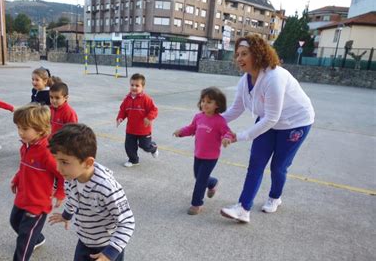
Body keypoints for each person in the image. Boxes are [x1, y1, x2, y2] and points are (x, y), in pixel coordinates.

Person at [47, 124, 135, 261]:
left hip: (106, 249)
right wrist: (67, 215)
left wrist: (110, 254)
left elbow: (127, 221)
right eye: (57, 160)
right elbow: (75, 198)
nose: (59, 168)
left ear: (88, 163)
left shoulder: (107, 188)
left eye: (64, 162)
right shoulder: (72, 176)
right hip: (84, 242)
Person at [220, 35, 315, 223]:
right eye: (237, 54)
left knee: (278, 166)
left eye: (244, 54)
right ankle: (243, 208)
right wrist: (209, 121)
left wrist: (241, 135)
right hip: (269, 120)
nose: (239, 58)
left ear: (258, 54)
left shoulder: (274, 77)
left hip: (295, 123)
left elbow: (273, 117)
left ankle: (274, 197)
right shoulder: (244, 80)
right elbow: (236, 109)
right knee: (256, 163)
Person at [0, 103, 65, 261]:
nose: (20, 132)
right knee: (15, 223)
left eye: (25, 128)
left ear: (41, 130)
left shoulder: (46, 152)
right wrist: (16, 179)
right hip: (23, 197)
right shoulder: (25, 146)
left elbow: (61, 174)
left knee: (24, 237)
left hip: (38, 202)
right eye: (18, 127)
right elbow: (23, 167)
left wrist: (60, 192)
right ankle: (38, 238)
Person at [173, 87, 233, 215]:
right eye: (203, 101)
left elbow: (227, 132)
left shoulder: (219, 121)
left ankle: (196, 204)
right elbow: (191, 128)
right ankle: (213, 183)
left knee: (200, 181)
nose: (204, 104)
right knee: (198, 176)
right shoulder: (198, 117)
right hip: (198, 154)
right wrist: (181, 132)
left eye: (209, 102)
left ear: (217, 105)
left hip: (211, 157)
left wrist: (226, 138)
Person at [116, 73, 159, 167]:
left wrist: (149, 117)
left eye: (137, 85)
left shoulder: (146, 99)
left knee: (145, 146)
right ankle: (133, 160)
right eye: (132, 85)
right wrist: (120, 118)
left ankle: (153, 148)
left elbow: (154, 110)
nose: (134, 87)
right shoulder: (127, 99)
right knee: (129, 146)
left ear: (142, 87)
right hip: (131, 129)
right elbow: (123, 110)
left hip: (144, 129)